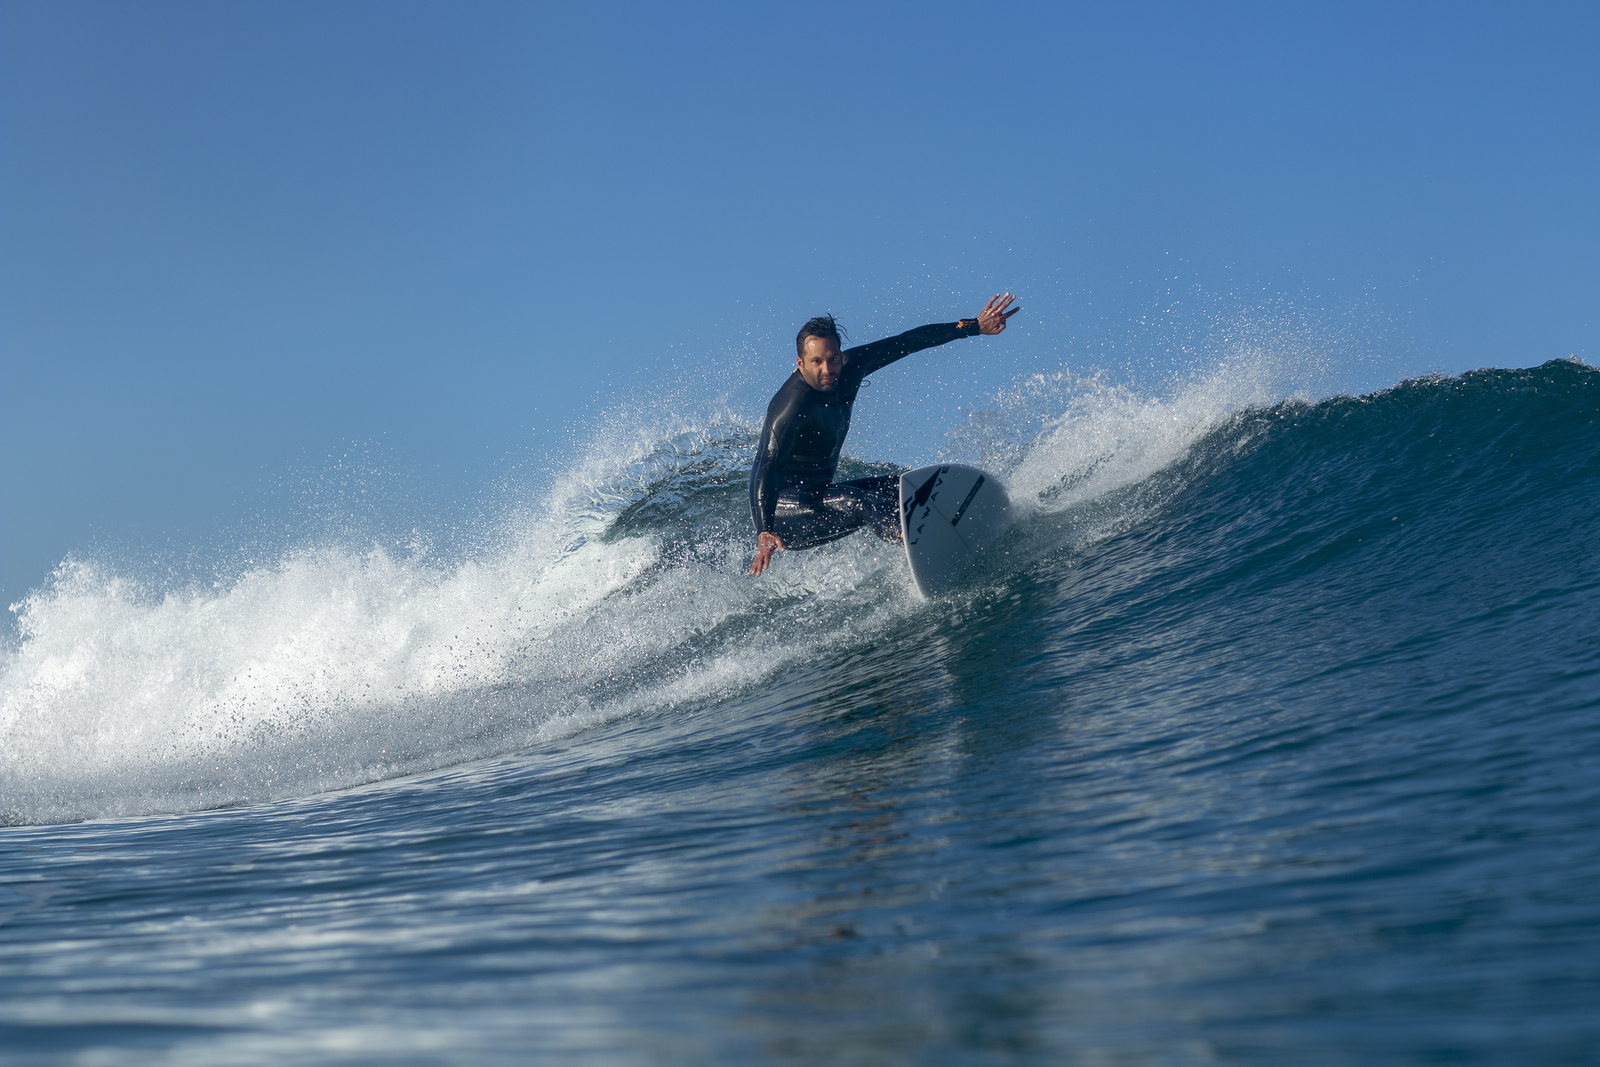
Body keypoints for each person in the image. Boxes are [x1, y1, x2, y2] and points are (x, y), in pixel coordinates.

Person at [749, 293, 1020, 576]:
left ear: (841, 356)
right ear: (800, 363)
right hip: (784, 514)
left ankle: (942, 532)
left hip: (820, 494)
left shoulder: (848, 369)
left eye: (833, 359)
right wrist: (764, 529)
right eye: (816, 361)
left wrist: (973, 326)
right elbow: (764, 464)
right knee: (864, 502)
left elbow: (907, 342)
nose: (827, 369)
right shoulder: (790, 405)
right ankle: (915, 548)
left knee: (903, 488)